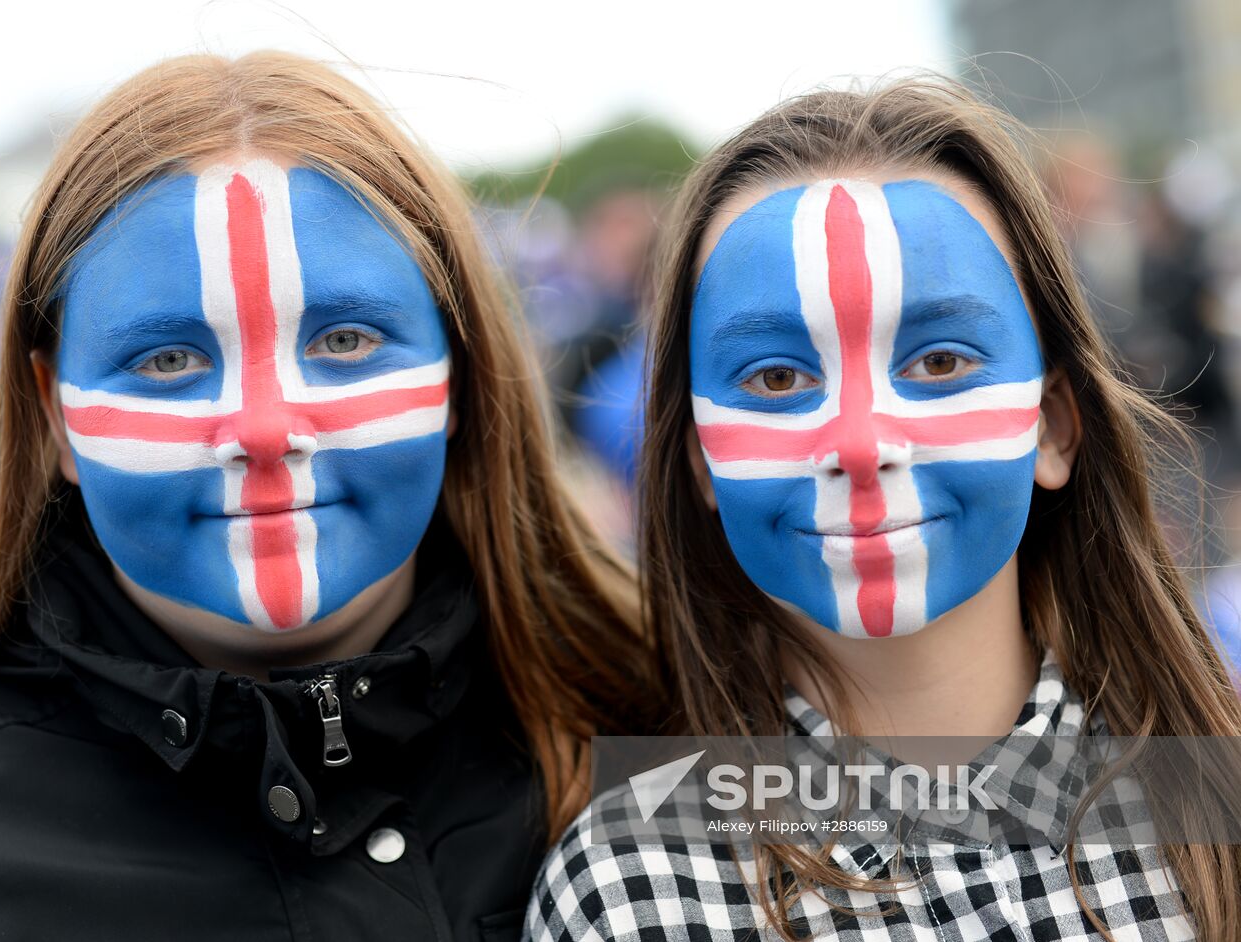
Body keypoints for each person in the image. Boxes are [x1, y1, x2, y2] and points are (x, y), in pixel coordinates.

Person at [0, 52, 652, 941]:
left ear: (458, 376)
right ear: (55, 419)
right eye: (168, 361)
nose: (265, 432)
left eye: (345, 340)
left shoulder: (677, 741)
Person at [526, 79, 1241, 940]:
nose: (861, 445)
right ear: (699, 461)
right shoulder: (631, 889)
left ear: (1053, 424)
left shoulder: (1214, 804)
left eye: (939, 362)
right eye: (778, 378)